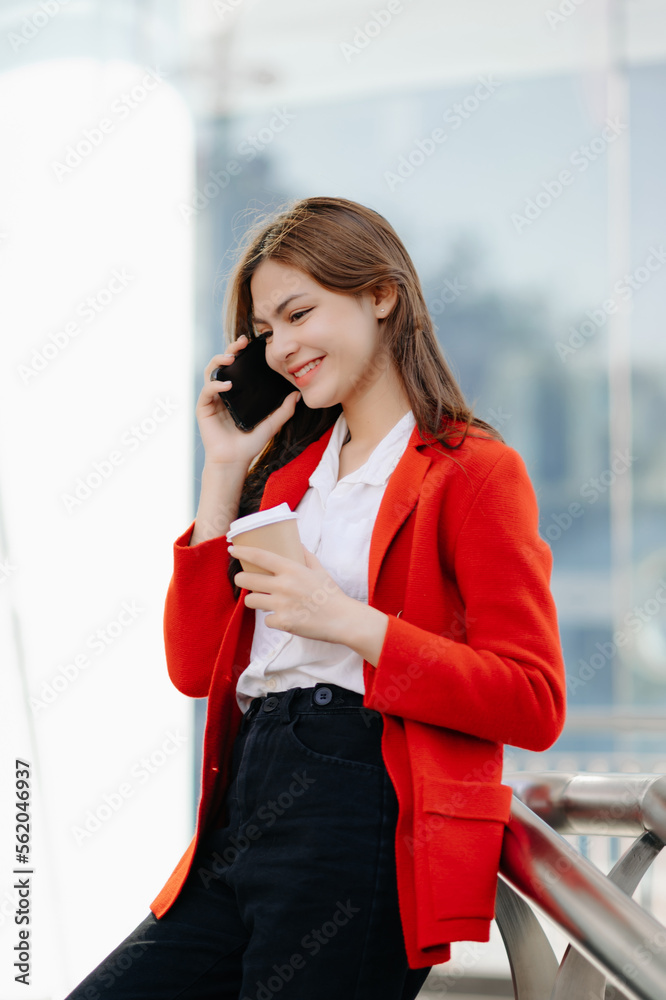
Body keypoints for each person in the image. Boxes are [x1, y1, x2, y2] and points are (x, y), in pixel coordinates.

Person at [64, 196, 567, 999]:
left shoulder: (471, 471)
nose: (284, 346)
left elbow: (534, 700)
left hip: (360, 804)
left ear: (380, 295)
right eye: (266, 332)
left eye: (299, 313)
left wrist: (351, 624)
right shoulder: (289, 483)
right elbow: (196, 671)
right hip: (245, 804)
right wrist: (224, 469)